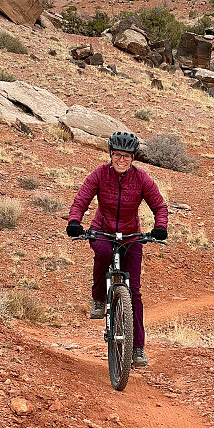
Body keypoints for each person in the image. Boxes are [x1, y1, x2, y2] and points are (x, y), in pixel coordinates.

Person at [66, 131, 168, 368]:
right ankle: (99, 298)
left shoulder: (142, 179)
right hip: (102, 229)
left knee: (134, 292)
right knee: (102, 253)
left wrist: (160, 227)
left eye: (126, 156)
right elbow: (82, 198)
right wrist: (74, 221)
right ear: (111, 155)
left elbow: (159, 206)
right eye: (117, 155)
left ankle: (138, 348)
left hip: (131, 234)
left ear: (133, 158)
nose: (121, 160)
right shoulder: (100, 174)